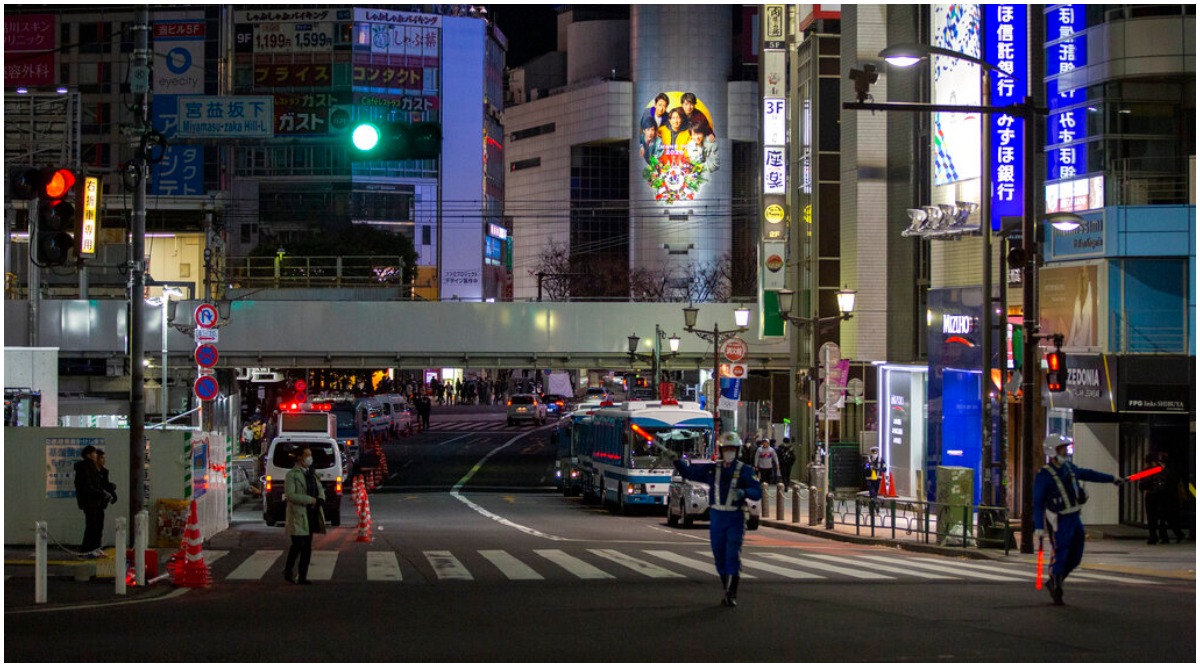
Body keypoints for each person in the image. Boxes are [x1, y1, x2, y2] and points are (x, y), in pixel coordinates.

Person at [659, 432, 762, 607]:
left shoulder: (745, 470)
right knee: (719, 556)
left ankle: (732, 592)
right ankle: (726, 586)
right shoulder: (713, 469)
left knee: (732, 554)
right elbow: (690, 473)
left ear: (737, 451)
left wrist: (744, 492)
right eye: (726, 449)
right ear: (721, 451)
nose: (729, 452)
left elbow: (757, 491)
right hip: (717, 516)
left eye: (732, 449)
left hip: (735, 516)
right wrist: (676, 460)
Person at [1033, 434, 1123, 605]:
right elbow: (1038, 502)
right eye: (1062, 448)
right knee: (1061, 551)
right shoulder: (1044, 475)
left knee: (1076, 556)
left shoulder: (1069, 468)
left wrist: (1112, 479)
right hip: (1058, 519)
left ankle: (1055, 580)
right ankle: (1056, 585)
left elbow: (1089, 474)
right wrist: (1038, 525)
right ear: (1053, 451)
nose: (1066, 451)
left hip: (1075, 517)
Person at [283, 446, 326, 585]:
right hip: (298, 513)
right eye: (307, 455)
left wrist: (320, 499)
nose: (310, 458)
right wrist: (311, 500)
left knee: (307, 546)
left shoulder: (311, 473)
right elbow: (290, 495)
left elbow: (319, 488)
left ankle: (302, 576)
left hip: (311, 513)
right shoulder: (292, 475)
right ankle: (288, 569)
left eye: (310, 455)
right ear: (299, 458)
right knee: (298, 544)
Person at [73, 445, 113, 558]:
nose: (96, 455)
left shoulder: (92, 468)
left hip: (97, 502)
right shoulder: (85, 468)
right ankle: (85, 551)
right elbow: (87, 486)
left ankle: (95, 549)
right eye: (94, 453)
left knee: (97, 526)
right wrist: (101, 493)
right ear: (88, 455)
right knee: (92, 526)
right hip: (90, 501)